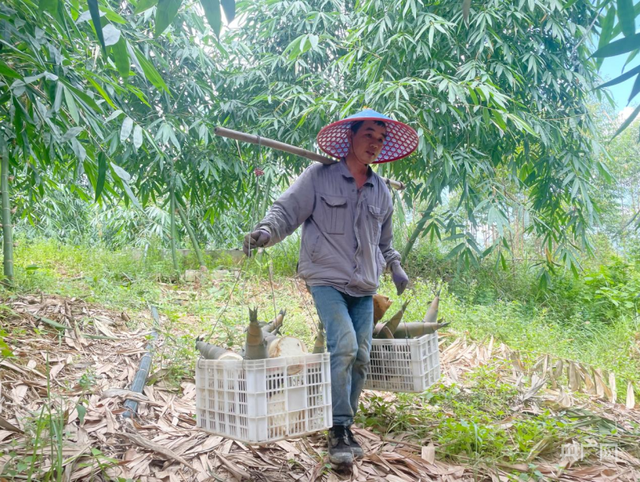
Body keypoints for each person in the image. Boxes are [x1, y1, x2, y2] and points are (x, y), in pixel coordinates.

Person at [243, 109, 418, 465]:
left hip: (365, 283)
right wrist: (264, 233)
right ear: (350, 137)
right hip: (325, 277)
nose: (375, 143)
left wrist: (397, 269)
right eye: (368, 134)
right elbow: (286, 211)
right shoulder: (319, 177)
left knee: (362, 355)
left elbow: (386, 243)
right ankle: (337, 429)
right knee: (344, 346)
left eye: (381, 139)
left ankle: (346, 424)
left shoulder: (381, 190)